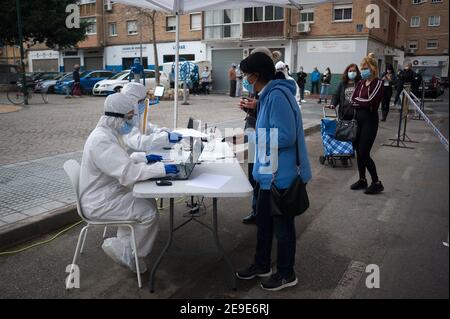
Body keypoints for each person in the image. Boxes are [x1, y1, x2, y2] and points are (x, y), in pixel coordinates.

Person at [79, 93, 180, 273]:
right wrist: (161, 169)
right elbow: (128, 173)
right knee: (148, 213)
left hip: (108, 193)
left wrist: (144, 157)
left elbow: (121, 159)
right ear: (116, 116)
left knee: (146, 201)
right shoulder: (101, 139)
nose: (132, 120)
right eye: (129, 116)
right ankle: (133, 255)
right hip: (99, 203)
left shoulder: (109, 132)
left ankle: (125, 244)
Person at [237, 52, 312, 291]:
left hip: (282, 175)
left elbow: (286, 136)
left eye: (246, 75)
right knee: (264, 223)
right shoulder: (268, 95)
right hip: (268, 172)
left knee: (283, 228)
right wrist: (253, 114)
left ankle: (286, 273)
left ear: (256, 75)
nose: (245, 79)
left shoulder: (277, 96)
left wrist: (252, 137)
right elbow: (271, 124)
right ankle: (262, 265)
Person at [239, 47, 282, 225]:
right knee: (251, 173)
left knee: (264, 175)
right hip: (252, 127)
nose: (248, 78)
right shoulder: (259, 84)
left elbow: (281, 129)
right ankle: (256, 210)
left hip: (263, 136)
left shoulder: (275, 88)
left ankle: (264, 211)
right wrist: (249, 107)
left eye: (250, 74)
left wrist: (257, 105)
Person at [350, 54, 384, 195]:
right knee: (358, 151)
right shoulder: (360, 83)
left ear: (373, 69)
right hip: (358, 120)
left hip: (370, 120)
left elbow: (371, 101)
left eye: (366, 68)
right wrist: (361, 102)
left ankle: (376, 182)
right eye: (362, 68)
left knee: (364, 152)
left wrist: (359, 102)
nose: (363, 70)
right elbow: (352, 99)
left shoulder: (378, 83)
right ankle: (362, 179)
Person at [120, 82, 182, 152]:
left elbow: (146, 127)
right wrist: (165, 137)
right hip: (128, 157)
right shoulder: (123, 118)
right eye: (142, 101)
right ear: (134, 101)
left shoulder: (133, 115)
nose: (143, 104)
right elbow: (138, 142)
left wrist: (161, 131)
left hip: (137, 155)